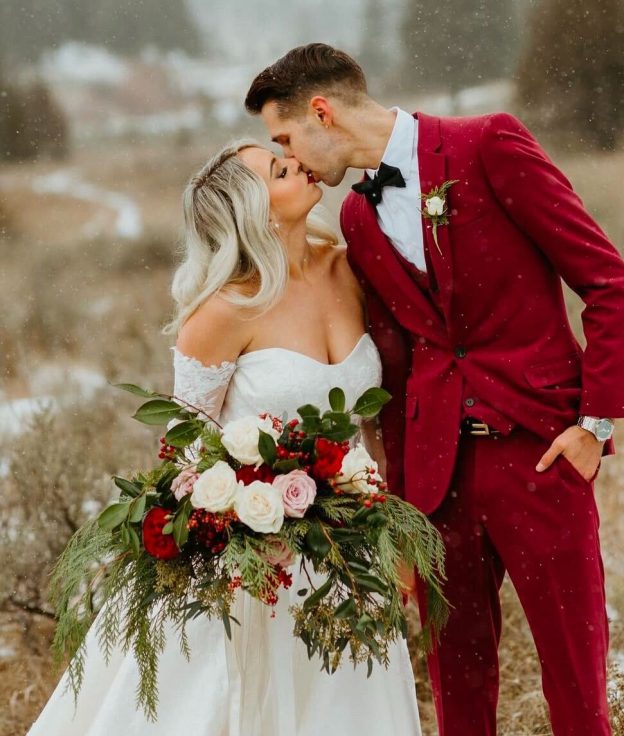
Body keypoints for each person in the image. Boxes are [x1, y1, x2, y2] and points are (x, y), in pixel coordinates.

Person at [244, 43, 624, 736]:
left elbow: (605, 282)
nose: (292, 158)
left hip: (540, 458)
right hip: (436, 482)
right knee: (456, 689)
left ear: (320, 110)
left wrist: (595, 425)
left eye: (284, 139)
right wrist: (397, 503)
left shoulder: (488, 145)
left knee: (576, 687)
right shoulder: (356, 220)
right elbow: (395, 365)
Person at [27, 139, 421, 736]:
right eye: (280, 171)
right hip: (251, 564)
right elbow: (189, 448)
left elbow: (374, 426)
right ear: (254, 211)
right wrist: (245, 515)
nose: (301, 166)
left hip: (350, 550)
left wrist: (395, 533)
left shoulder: (350, 268)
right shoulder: (222, 311)